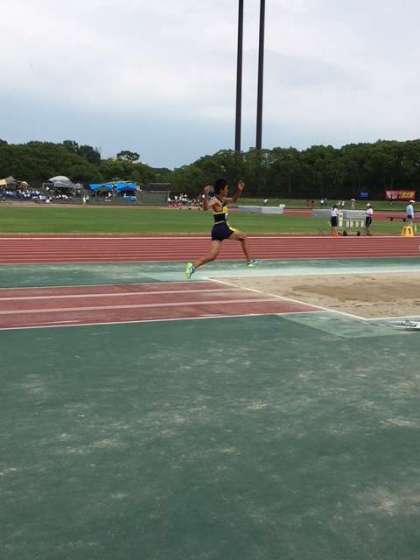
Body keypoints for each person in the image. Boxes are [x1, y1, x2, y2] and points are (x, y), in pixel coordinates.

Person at [185, 178, 256, 279]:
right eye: (226, 188)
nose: (227, 190)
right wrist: (205, 195)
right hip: (222, 227)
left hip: (217, 230)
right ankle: (249, 261)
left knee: (212, 256)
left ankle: (192, 266)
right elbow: (205, 208)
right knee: (243, 236)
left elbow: (234, 199)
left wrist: (239, 190)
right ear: (221, 189)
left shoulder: (223, 199)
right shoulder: (214, 200)